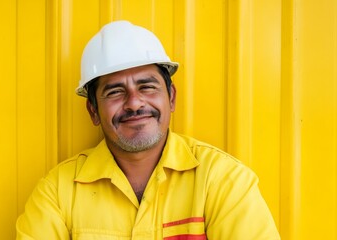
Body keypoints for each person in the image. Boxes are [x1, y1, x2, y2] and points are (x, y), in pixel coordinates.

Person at [16, 20, 280, 239]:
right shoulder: (57, 192)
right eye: (115, 91)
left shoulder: (222, 179)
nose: (134, 103)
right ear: (93, 111)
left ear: (171, 98)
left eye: (147, 86)